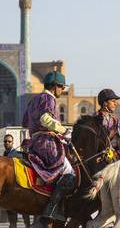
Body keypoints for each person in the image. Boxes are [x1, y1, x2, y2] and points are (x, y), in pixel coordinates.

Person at [22, 71, 75, 222]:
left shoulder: (34, 100)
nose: (62, 90)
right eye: (61, 87)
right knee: (69, 172)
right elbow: (46, 119)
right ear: (54, 87)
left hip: (33, 141)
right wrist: (64, 131)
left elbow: (25, 122)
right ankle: (51, 210)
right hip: (46, 143)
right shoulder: (48, 98)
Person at [3, 134, 31, 228]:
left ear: (13, 142)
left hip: (19, 189)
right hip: (8, 191)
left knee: (25, 216)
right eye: (5, 141)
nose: (7, 143)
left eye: (9, 141)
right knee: (12, 218)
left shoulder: (18, 154)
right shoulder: (4, 154)